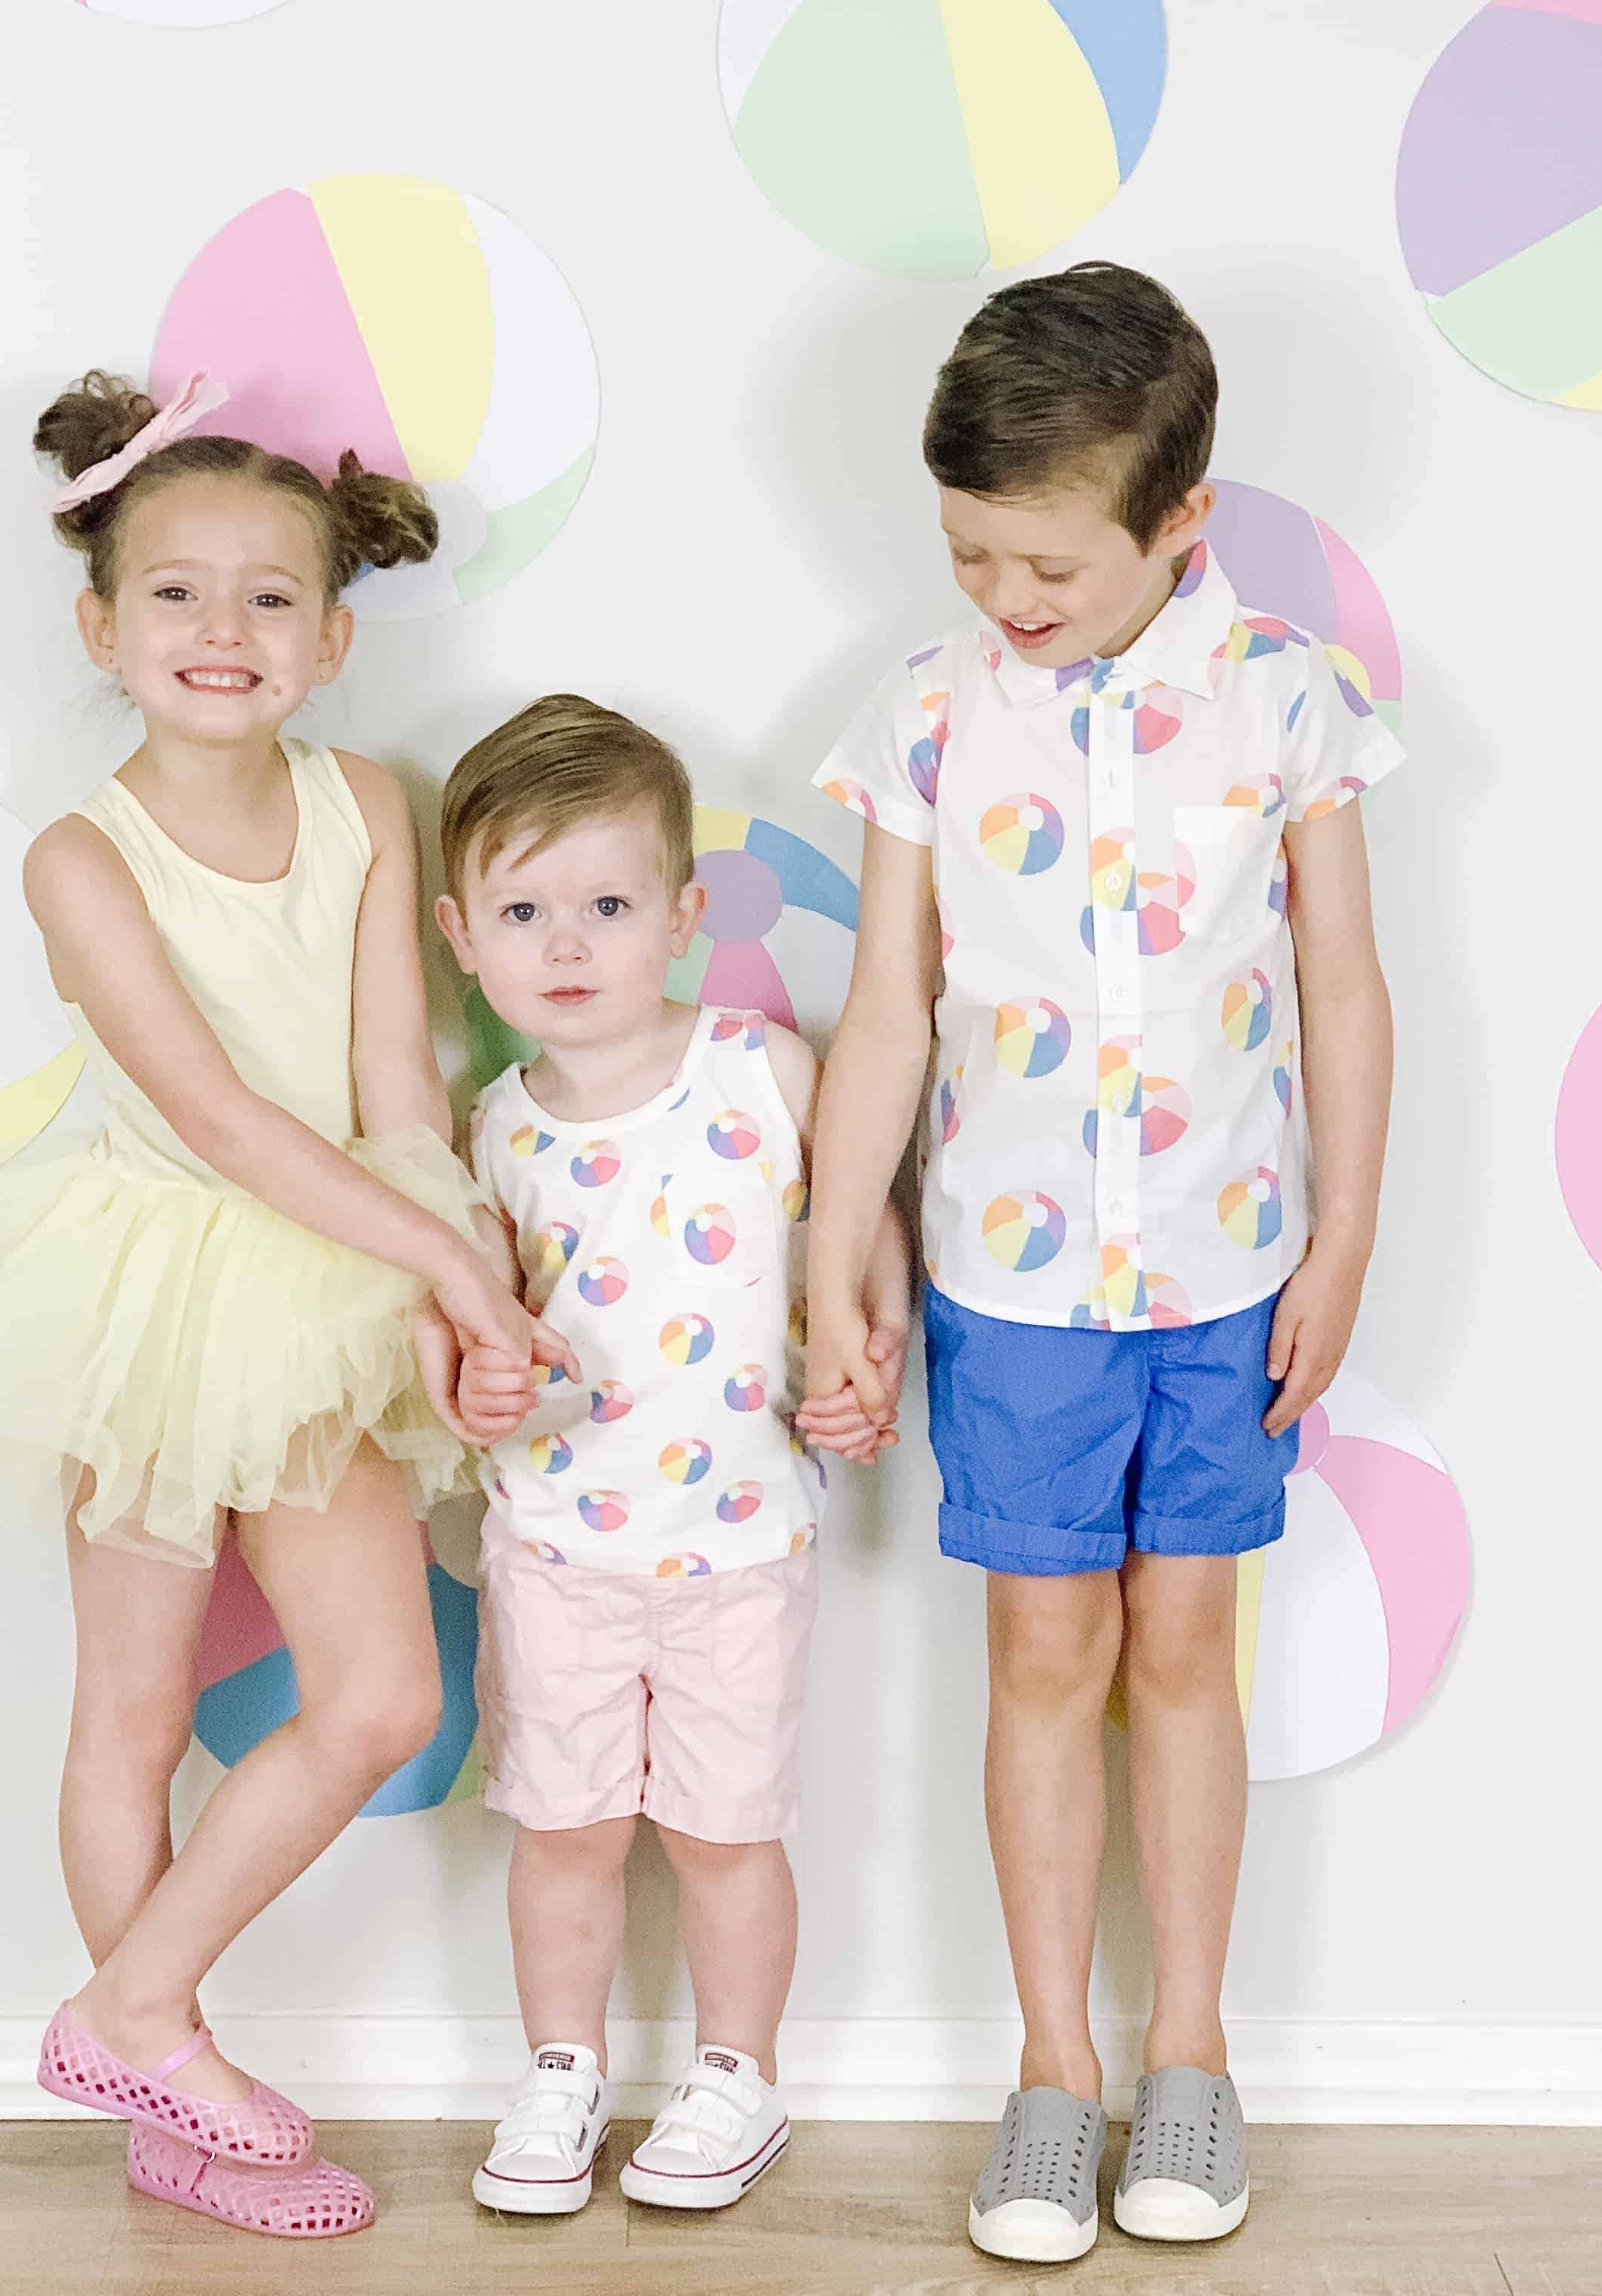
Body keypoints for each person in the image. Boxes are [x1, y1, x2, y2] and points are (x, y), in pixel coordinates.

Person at [0, 369, 570, 2238]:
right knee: (126, 1709)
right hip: (151, 1281)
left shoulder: (366, 802)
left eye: (270, 598)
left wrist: (450, 1264)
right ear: (103, 626)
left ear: (336, 635)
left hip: (338, 1268)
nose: (223, 630)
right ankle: (170, 2107)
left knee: (375, 1696)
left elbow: (393, 1092)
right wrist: (440, 1259)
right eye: (176, 594)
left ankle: (124, 2012)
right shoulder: (79, 855)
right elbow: (207, 1113)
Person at [802, 263, 1402, 2262]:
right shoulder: (925, 715)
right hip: (1009, 1286)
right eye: (974, 553)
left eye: (1047, 560)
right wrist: (836, 1257)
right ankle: (1053, 2070)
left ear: (1181, 523)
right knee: (1046, 1657)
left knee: (1182, 1653)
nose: (1007, 594)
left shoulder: (1290, 701)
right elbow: (888, 1012)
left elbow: (1343, 984)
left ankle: (1192, 2057)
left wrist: (1347, 1234)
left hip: (1226, 1274)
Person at [429, 695, 907, 2218]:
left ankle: (734, 2073)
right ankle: (560, 2067)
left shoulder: (763, 1071)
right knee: (564, 1832)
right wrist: (486, 1396)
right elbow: (465, 1339)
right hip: (559, 1545)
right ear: (463, 936)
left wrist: (862, 1368)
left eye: (609, 906)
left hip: (741, 1546)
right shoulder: (490, 1129)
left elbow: (863, 1245)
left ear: (687, 918)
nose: (567, 945)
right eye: (524, 911)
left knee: (722, 1832)